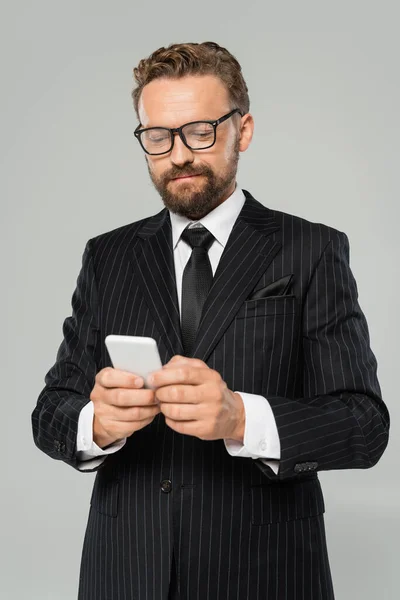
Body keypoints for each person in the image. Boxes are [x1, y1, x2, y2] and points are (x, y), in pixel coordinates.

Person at [31, 41, 390, 600]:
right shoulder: (108, 257)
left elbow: (364, 427)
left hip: (266, 575)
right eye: (158, 136)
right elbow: (51, 410)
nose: (178, 155)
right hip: (126, 574)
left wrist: (240, 417)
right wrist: (95, 425)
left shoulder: (311, 249)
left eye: (200, 131)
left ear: (242, 130)